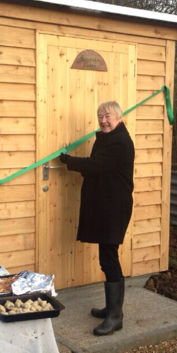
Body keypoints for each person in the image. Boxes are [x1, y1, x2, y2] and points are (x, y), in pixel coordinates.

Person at [59, 101, 135, 336]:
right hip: (107, 206)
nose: (103, 120)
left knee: (109, 258)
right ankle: (112, 309)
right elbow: (98, 168)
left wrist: (67, 160)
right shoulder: (107, 138)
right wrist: (78, 163)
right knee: (107, 257)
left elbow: (96, 165)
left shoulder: (120, 141)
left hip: (114, 208)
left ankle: (115, 317)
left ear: (119, 118)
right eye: (100, 116)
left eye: (108, 116)